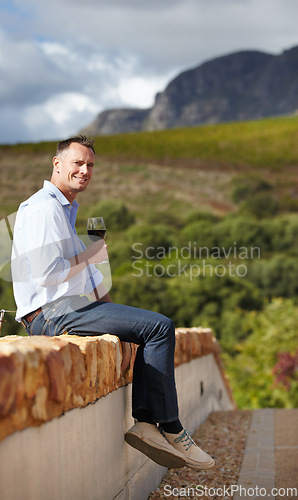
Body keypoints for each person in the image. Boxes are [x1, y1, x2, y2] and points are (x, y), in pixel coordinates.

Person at [11, 135, 214, 470]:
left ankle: (150, 425)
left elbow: (87, 278)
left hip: (67, 309)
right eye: (77, 163)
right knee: (160, 327)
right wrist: (90, 253)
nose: (85, 170)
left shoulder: (64, 211)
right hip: (52, 314)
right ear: (57, 164)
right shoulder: (45, 208)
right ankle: (169, 429)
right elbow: (48, 274)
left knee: (149, 328)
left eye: (90, 165)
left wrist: (120, 316)